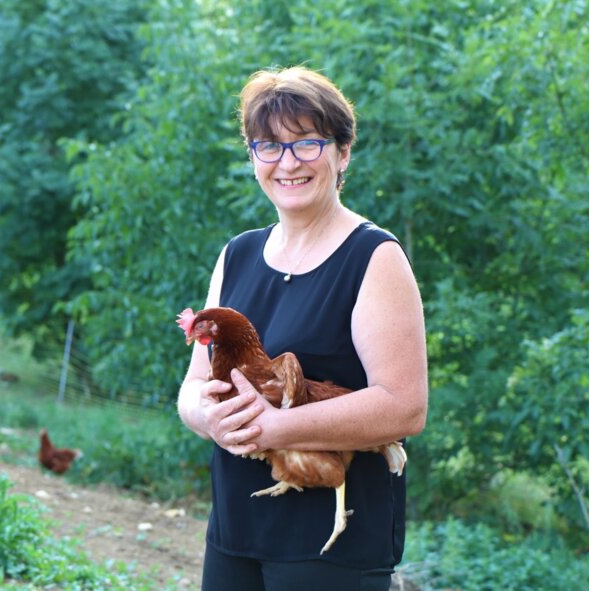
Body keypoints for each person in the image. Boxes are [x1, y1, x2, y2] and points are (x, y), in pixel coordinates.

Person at [177, 65, 428, 591]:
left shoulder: (373, 257)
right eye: (268, 146)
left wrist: (273, 428)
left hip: (331, 549)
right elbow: (193, 388)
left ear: (342, 153)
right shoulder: (238, 254)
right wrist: (210, 419)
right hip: (234, 530)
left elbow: (404, 405)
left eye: (307, 144)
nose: (287, 163)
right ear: (253, 160)